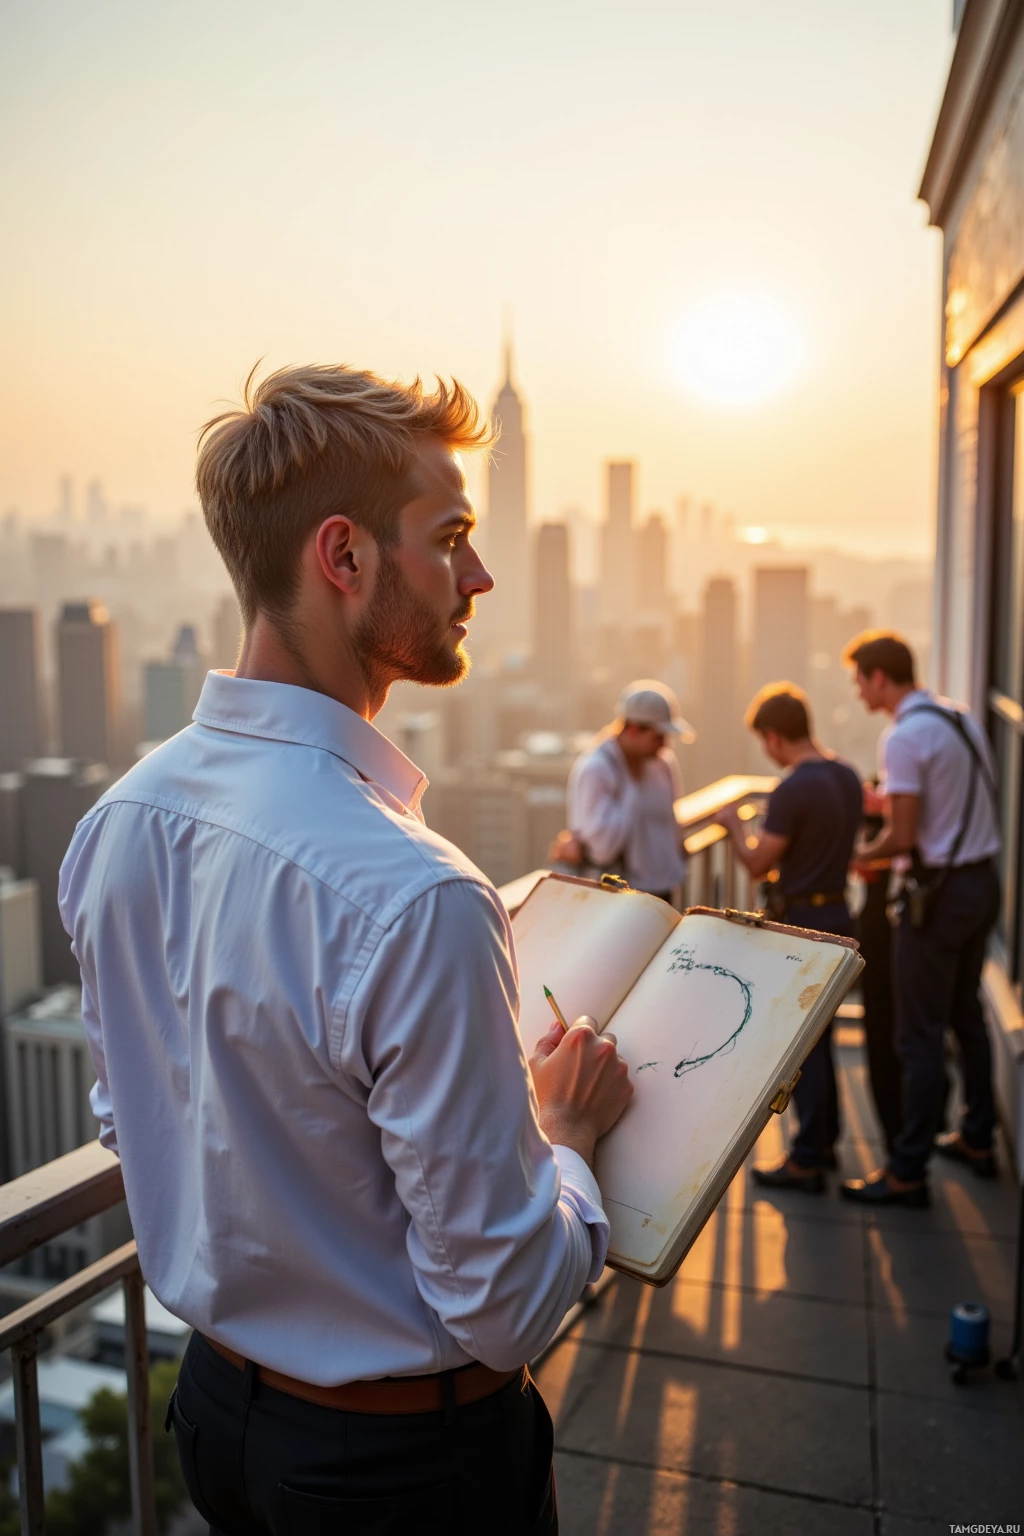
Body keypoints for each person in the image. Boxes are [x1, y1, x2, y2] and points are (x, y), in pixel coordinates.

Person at [58, 364, 633, 1535]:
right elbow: (508, 1306)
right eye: (452, 537)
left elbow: (135, 1119)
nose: (478, 576)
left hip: (214, 1418)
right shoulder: (416, 896)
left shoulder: (117, 825)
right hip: (404, 1472)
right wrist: (564, 1140)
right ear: (345, 557)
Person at [839, 630, 1000, 1208]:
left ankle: (908, 1170)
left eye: (860, 679)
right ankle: (979, 1137)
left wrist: (855, 855)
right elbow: (949, 801)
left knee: (917, 1035)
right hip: (983, 882)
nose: (858, 692)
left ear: (881, 677)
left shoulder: (903, 736)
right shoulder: (960, 719)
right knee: (967, 1016)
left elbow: (902, 839)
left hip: (936, 897)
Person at [715, 682, 862, 1192]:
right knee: (819, 1040)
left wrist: (735, 825)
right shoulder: (845, 775)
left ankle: (809, 1156)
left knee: (802, 1049)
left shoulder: (794, 788)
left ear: (774, 737)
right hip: (841, 916)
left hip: (803, 925)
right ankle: (822, 1142)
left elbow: (759, 861)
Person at [557, 681, 693, 902]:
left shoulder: (662, 763)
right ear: (632, 730)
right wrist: (632, 786)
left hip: (662, 887)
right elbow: (601, 848)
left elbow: (671, 818)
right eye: (657, 737)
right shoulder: (597, 769)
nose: (664, 745)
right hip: (618, 896)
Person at [854, 780, 904, 1153]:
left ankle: (898, 1145)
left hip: (883, 934)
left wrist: (861, 854)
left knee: (885, 1032)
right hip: (893, 931)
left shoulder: (890, 829)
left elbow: (871, 866)